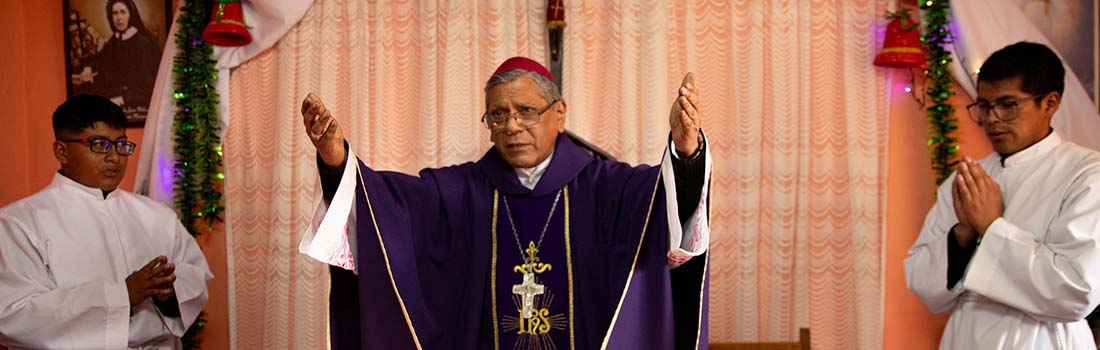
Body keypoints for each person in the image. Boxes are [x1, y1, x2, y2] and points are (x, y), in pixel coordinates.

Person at [299, 57, 712, 349]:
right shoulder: (461, 192)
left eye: (526, 111)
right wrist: (337, 159)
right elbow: (383, 208)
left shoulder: (605, 187)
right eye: (498, 115)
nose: (512, 125)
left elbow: (668, 203)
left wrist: (685, 151)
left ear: (559, 113)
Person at [905, 42, 1100, 349]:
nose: (991, 119)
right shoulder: (966, 179)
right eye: (984, 106)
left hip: (1042, 339)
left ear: (1050, 103)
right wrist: (962, 236)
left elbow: (1077, 291)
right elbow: (921, 282)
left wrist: (991, 226)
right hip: (964, 335)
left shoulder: (1087, 175)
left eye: (1008, 105)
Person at [0, 95, 212, 349]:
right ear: (62, 151)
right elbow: (14, 314)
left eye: (121, 144)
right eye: (99, 144)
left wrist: (168, 295)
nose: (114, 157)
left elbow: (195, 275)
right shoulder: (20, 222)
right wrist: (122, 295)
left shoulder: (157, 215)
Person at [78, 0, 161, 121]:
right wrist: (88, 68)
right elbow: (100, 59)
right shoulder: (114, 41)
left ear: (131, 15)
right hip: (112, 104)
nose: (119, 18)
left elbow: (148, 88)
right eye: (115, 13)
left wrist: (121, 99)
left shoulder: (143, 44)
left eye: (123, 12)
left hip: (135, 108)